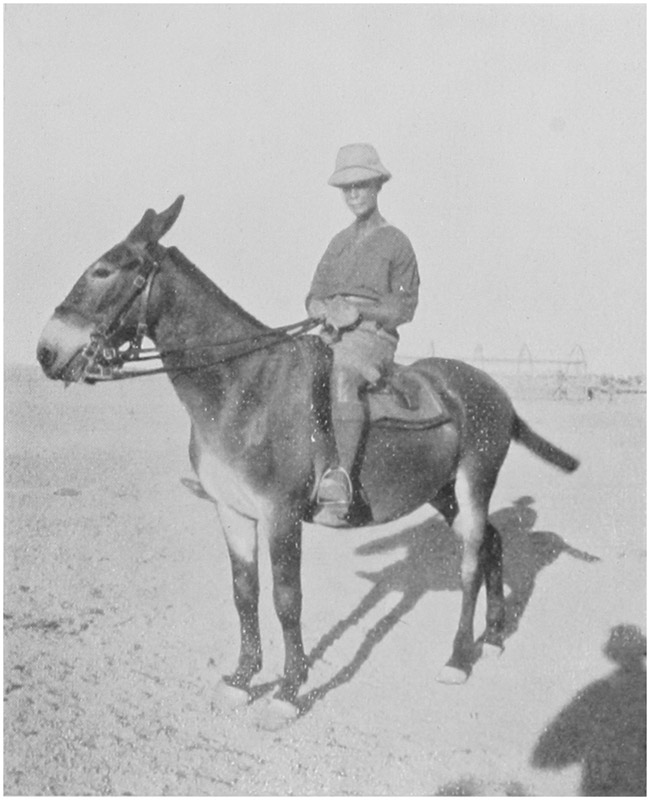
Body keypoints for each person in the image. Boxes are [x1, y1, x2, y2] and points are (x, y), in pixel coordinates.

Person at [306, 143, 420, 526]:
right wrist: (321, 309)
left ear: (378, 186)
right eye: (347, 188)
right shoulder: (338, 243)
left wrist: (359, 312)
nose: (354, 194)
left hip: (374, 338)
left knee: (342, 372)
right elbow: (314, 295)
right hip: (332, 330)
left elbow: (404, 308)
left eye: (362, 185)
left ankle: (342, 479)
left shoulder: (397, 242)